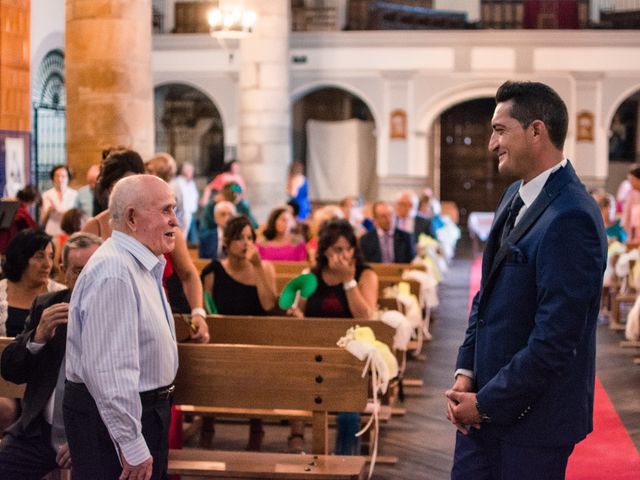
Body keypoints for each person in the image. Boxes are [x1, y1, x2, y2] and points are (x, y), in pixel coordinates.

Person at [446, 81, 607, 480]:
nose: (490, 144)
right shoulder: (514, 195)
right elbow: (486, 296)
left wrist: (485, 404)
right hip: (483, 405)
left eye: (500, 130)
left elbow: (555, 342)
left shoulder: (571, 217)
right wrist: (466, 372)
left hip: (534, 424)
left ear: (537, 131)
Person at [64, 175, 180, 478]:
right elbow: (109, 371)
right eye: (166, 210)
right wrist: (131, 444)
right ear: (131, 217)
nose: (175, 221)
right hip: (116, 421)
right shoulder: (115, 272)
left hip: (143, 412)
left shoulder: (137, 264)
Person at [0, 232, 102, 479]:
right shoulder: (47, 305)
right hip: (39, 432)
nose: (86, 278)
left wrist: (87, 437)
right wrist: (38, 337)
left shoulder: (117, 312)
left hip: (96, 434)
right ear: (63, 271)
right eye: (78, 271)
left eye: (94, 269)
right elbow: (11, 370)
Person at [288, 218, 378, 454]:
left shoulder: (365, 275)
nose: (345, 255)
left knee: (348, 411)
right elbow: (302, 312)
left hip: (351, 360)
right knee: (295, 387)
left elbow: (366, 318)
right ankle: (298, 444)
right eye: (338, 249)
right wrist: (295, 312)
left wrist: (348, 281)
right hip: (314, 354)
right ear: (325, 250)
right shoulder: (312, 275)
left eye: (349, 249)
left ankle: (345, 462)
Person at [201, 215, 277, 451]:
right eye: (239, 238)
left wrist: (257, 267)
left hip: (257, 342)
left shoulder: (264, 268)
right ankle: (207, 424)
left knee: (257, 365)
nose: (245, 243)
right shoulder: (213, 271)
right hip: (221, 341)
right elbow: (206, 310)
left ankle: (256, 426)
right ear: (227, 242)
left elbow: (268, 306)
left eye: (249, 238)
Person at [0, 229, 66, 433]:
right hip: (5, 375)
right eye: (39, 257)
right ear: (22, 257)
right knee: (4, 408)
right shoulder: (2, 291)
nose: (48, 264)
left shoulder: (59, 294)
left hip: (44, 379)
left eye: (51, 257)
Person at [0, 185, 39, 255]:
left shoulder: (8, 205)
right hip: (9, 245)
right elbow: (32, 230)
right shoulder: (22, 212)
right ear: (31, 201)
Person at [40, 166, 78, 236]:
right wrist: (49, 211)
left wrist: (57, 209)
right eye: (57, 176)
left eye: (63, 176)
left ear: (68, 178)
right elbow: (42, 220)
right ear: (53, 178)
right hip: (51, 231)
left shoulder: (75, 195)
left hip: (69, 232)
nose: (60, 179)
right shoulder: (47, 195)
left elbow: (76, 216)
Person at [175, 162, 200, 242]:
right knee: (183, 238)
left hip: (191, 214)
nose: (191, 172)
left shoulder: (191, 182)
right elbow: (183, 201)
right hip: (182, 214)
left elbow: (195, 196)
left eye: (192, 170)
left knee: (192, 239)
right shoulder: (178, 182)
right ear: (183, 171)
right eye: (189, 170)